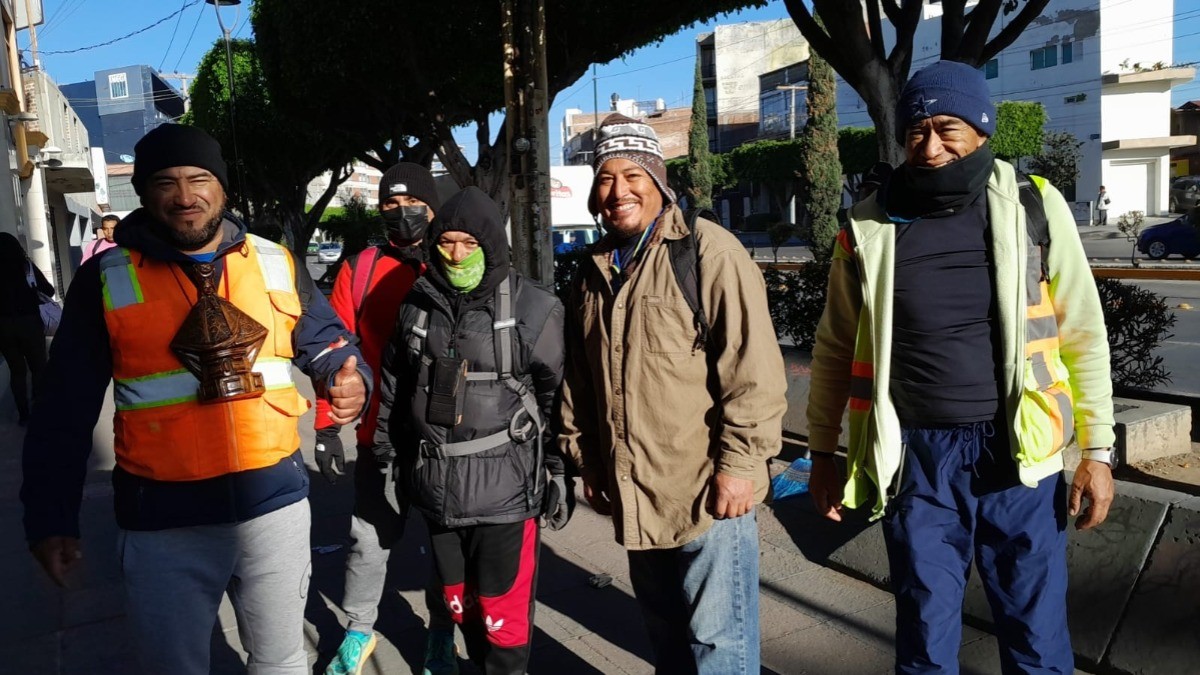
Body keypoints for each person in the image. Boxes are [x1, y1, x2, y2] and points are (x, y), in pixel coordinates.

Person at [20, 124, 370, 675]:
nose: (186, 196)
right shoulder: (106, 278)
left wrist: (348, 378)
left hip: (273, 507)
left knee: (281, 662)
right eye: (166, 182)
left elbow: (327, 344)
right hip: (163, 523)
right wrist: (50, 516)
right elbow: (62, 409)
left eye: (199, 179)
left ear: (223, 189)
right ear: (144, 191)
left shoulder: (275, 260)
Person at [807, 60, 1115, 674]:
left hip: (1020, 460)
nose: (930, 145)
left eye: (947, 128)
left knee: (1036, 643)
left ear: (981, 129)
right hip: (919, 461)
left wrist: (1099, 453)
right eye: (916, 132)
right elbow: (835, 346)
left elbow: (1083, 331)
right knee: (924, 640)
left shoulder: (1035, 206)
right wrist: (822, 452)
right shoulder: (869, 223)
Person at [559, 113, 787, 674]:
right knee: (664, 636)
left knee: (719, 646)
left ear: (659, 181)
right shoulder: (593, 272)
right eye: (606, 179)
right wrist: (588, 461)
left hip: (707, 492)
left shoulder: (710, 252)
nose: (618, 191)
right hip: (635, 492)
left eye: (632, 174)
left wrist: (740, 464)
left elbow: (753, 370)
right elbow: (580, 382)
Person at [375, 186, 570, 675]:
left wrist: (560, 472)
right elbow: (395, 389)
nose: (458, 255)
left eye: (470, 243)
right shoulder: (415, 305)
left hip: (505, 496)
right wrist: (387, 460)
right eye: (447, 243)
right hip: (437, 491)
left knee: (502, 619)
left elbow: (558, 401)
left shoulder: (535, 309)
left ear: (492, 245)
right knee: (460, 607)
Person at [314, 163, 457, 675]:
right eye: (389, 208)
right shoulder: (363, 267)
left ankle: (441, 630)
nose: (402, 215)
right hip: (382, 435)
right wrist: (327, 424)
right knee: (368, 541)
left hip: (448, 437)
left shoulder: (454, 260)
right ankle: (358, 631)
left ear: (434, 208)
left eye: (413, 205)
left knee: (447, 544)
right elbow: (333, 351)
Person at [0, 232, 51, 424]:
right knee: (38, 367)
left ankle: (23, 414)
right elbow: (49, 290)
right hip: (29, 323)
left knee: (17, 371)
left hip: (3, 326)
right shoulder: (26, 267)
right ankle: (39, 408)